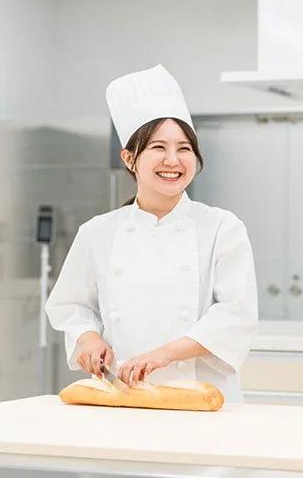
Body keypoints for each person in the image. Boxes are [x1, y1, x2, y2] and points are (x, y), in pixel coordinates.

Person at [45, 64, 258, 401]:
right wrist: (88, 338)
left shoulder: (222, 227)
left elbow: (236, 314)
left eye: (184, 149)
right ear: (129, 159)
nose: (173, 160)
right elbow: (71, 305)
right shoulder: (97, 232)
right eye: (158, 148)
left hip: (201, 398)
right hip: (122, 395)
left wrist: (163, 355)